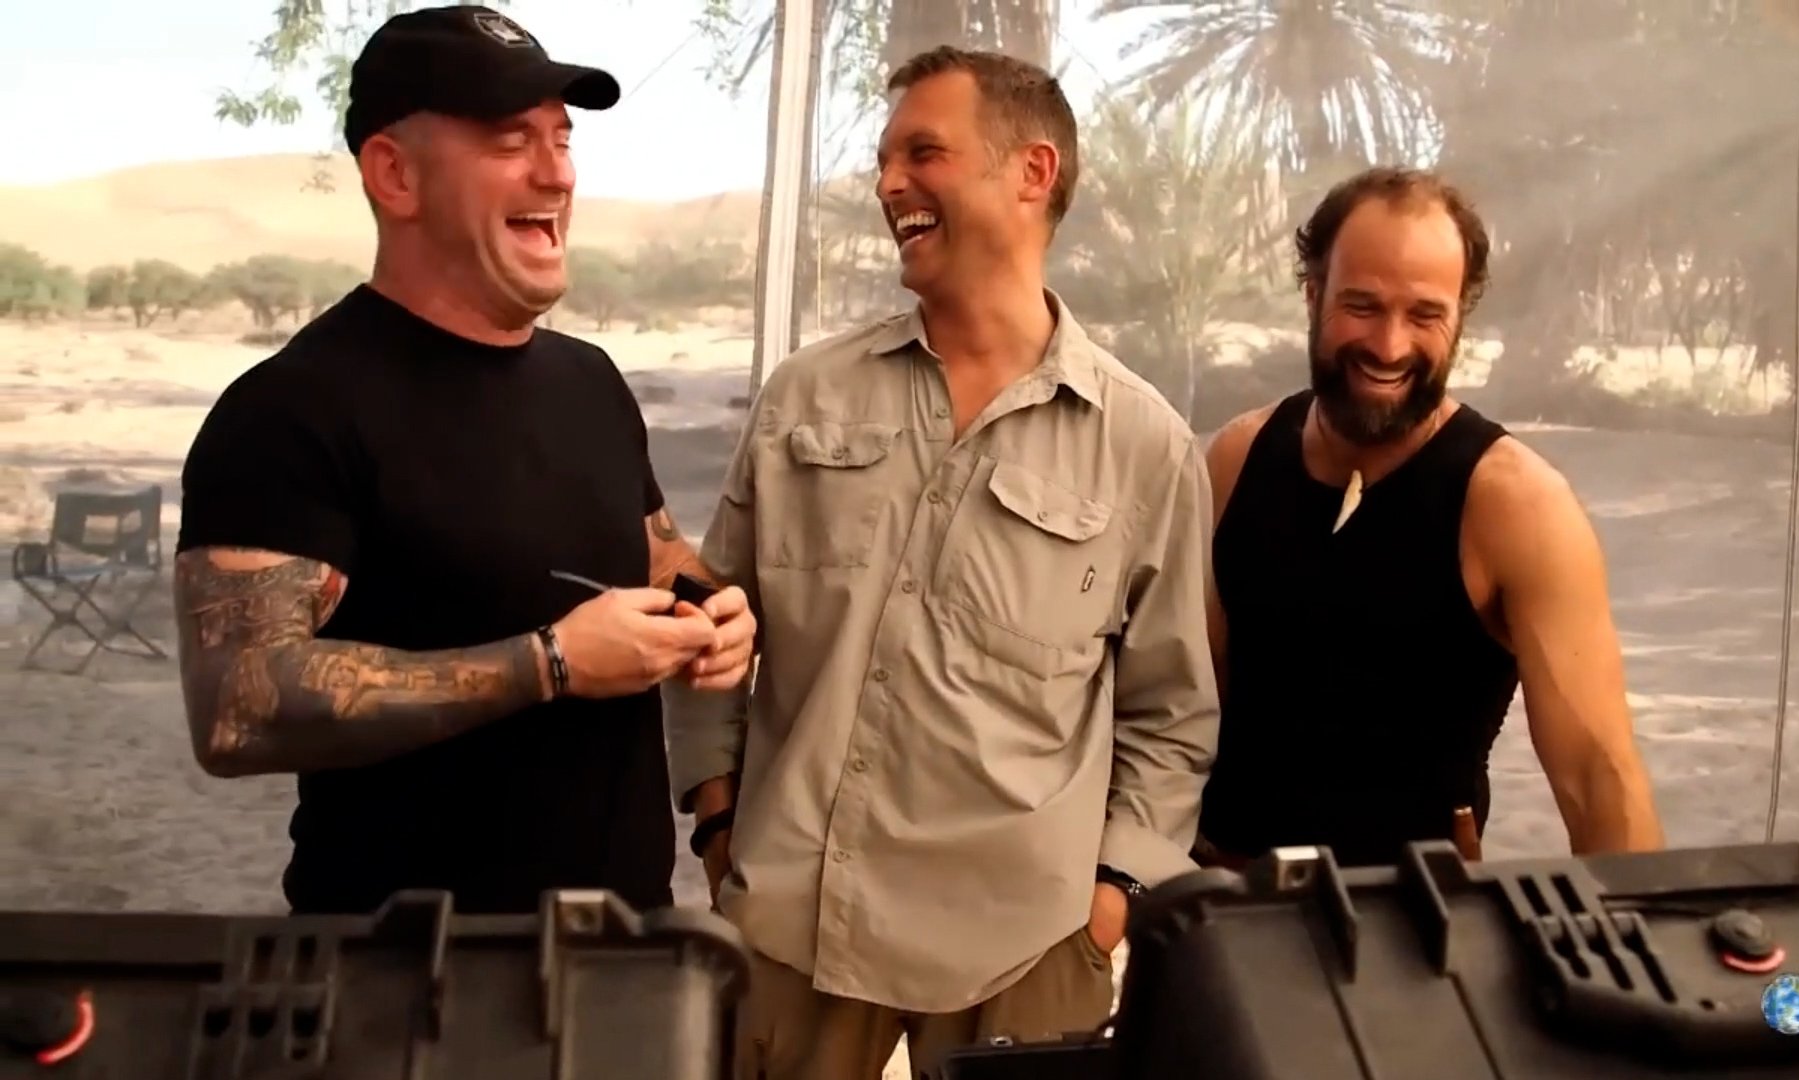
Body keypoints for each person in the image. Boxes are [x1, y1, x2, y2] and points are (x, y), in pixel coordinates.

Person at [663, 46, 1219, 1080]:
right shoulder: (805, 398)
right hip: (792, 926)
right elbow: (709, 622)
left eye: (924, 153)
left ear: (1033, 172)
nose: (888, 184)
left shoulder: (1143, 445)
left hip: (1026, 949)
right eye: (885, 159)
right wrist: (717, 820)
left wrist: (1108, 901)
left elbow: (1171, 711)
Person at [171, 5, 756, 916]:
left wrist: (713, 609)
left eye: (562, 139)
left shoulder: (591, 381)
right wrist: (549, 663)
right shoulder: (290, 408)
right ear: (394, 174)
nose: (557, 172)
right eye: (511, 141)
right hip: (408, 964)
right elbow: (236, 709)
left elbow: (652, 554)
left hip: (625, 942)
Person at [1197, 167, 1665, 870]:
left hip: (1415, 917)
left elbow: (1598, 779)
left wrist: (1641, 931)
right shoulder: (1238, 458)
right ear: (1313, 294)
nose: (1389, 346)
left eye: (1424, 315)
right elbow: (1177, 709)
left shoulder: (1516, 506)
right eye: (1362, 305)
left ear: (1460, 319)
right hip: (1221, 901)